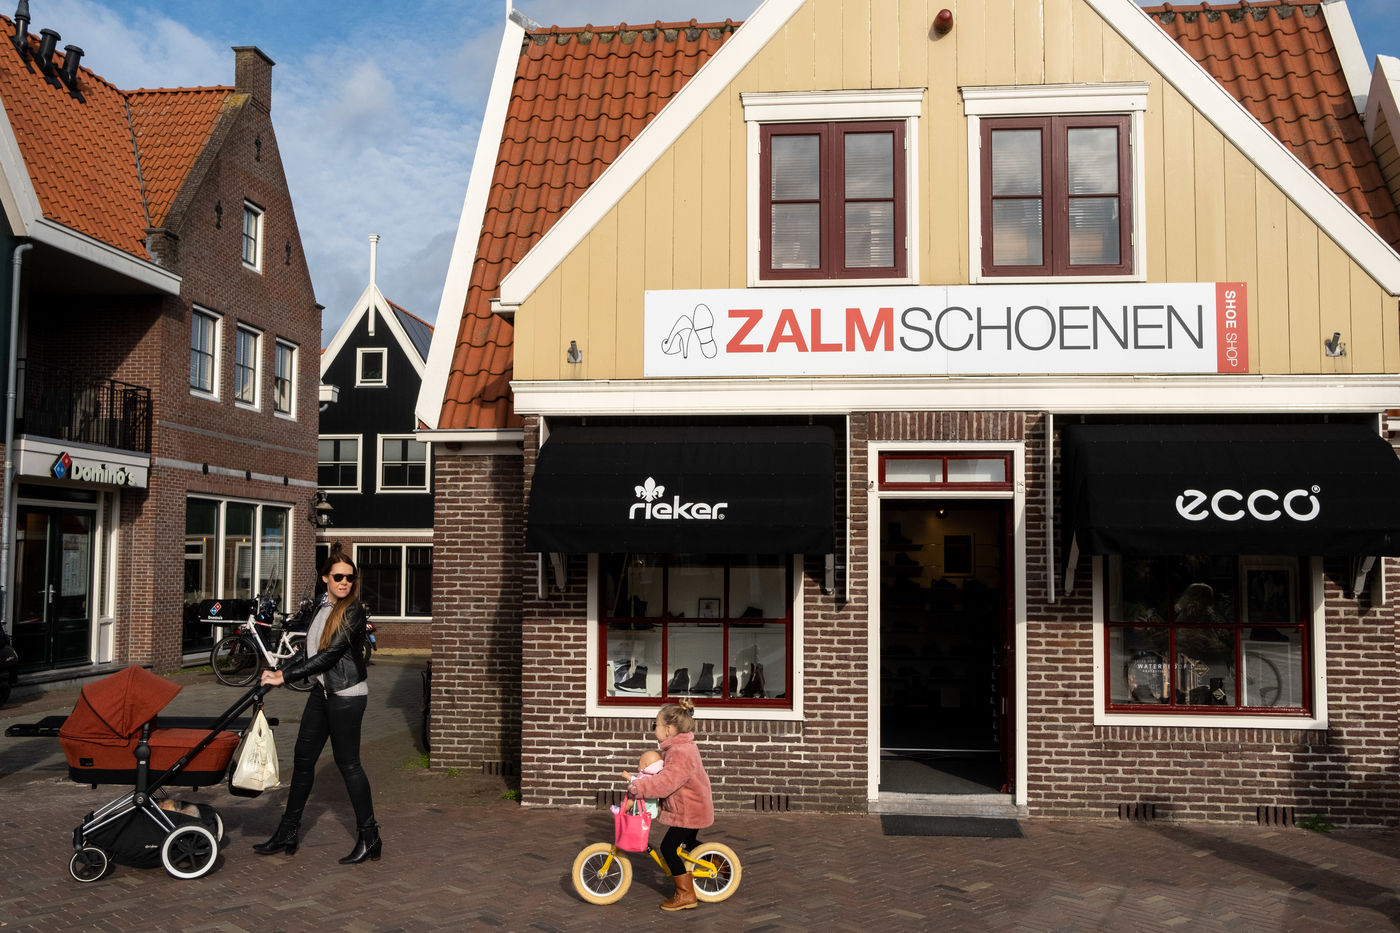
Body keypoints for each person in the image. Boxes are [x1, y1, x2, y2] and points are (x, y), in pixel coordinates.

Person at [253, 547, 380, 865]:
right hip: (322, 693)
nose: (345, 582)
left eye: (350, 578)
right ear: (325, 578)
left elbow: (330, 655)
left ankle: (370, 836)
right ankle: (288, 831)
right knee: (303, 759)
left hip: (347, 695)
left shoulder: (352, 611)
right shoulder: (322, 607)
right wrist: (280, 668)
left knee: (348, 764)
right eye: (338, 577)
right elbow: (310, 652)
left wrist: (284, 676)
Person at [620, 699, 713, 911]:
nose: (654, 729)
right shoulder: (680, 748)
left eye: (655, 725)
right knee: (688, 842)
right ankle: (718, 862)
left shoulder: (680, 752)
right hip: (693, 806)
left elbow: (665, 783)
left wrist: (639, 787)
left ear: (669, 730)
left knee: (668, 848)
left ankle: (686, 895)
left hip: (689, 810)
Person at [635, 748, 664, 818]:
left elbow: (637, 783)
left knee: (630, 801)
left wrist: (628, 777)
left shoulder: (645, 776)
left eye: (639, 763)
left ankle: (621, 810)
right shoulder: (655, 776)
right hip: (652, 800)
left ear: (645, 765)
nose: (638, 765)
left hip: (642, 800)